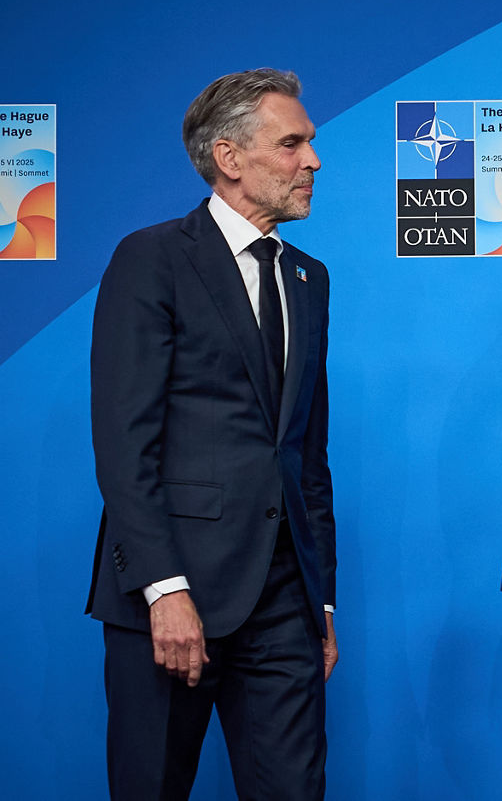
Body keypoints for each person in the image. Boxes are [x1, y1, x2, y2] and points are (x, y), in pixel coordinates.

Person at [86, 68, 337, 800]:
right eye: (291, 144)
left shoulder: (309, 279)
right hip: (173, 595)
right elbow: (124, 442)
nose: (312, 161)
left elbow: (306, 455)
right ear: (229, 158)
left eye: (310, 144)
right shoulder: (153, 259)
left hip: (284, 603)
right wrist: (164, 589)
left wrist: (319, 601)